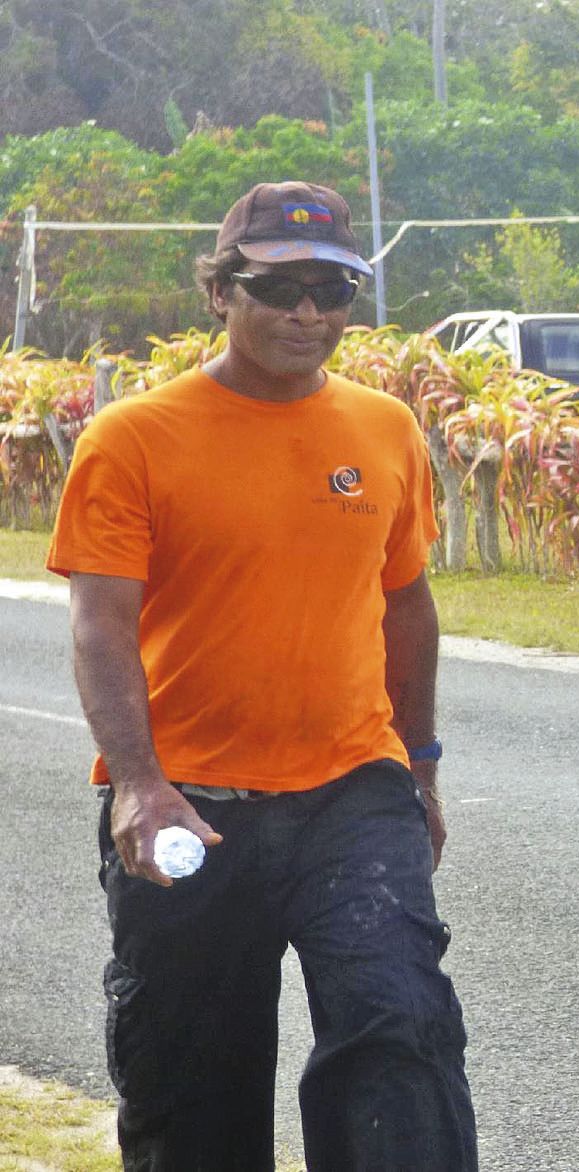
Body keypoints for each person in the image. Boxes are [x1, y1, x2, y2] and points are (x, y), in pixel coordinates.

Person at [47, 181, 478, 1170]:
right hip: (188, 802)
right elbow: (100, 628)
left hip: (353, 792)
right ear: (219, 291)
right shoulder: (135, 439)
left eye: (333, 292)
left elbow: (407, 605)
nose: (309, 314)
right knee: (191, 1081)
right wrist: (141, 785)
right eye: (279, 288)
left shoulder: (382, 431)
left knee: (400, 1027)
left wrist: (420, 770)